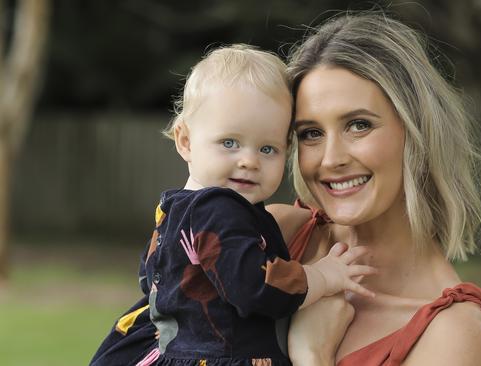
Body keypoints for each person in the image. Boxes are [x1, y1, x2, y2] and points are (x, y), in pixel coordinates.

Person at [90, 44, 376, 366]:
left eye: (268, 149)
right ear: (185, 141)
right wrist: (322, 277)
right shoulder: (218, 209)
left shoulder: (175, 209)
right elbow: (255, 287)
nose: (249, 161)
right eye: (230, 143)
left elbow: (149, 275)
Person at [265, 12, 481, 365]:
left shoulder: (454, 333)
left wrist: (311, 355)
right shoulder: (276, 238)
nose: (331, 159)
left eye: (359, 125)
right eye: (311, 133)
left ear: (417, 131)